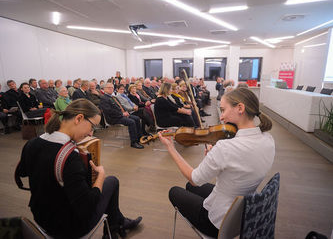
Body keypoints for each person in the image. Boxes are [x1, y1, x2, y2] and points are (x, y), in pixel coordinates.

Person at [16, 99, 142, 238]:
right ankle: (113, 228)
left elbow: (23, 172)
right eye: (92, 126)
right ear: (79, 118)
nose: (90, 133)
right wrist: (100, 176)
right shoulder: (69, 157)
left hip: (40, 218)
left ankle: (117, 223)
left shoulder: (32, 143)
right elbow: (88, 206)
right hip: (68, 228)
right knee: (112, 181)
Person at [159, 88, 275, 237]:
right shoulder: (268, 139)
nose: (221, 117)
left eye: (223, 110)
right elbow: (238, 168)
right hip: (242, 211)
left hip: (217, 223)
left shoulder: (226, 147)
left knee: (175, 190)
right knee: (189, 187)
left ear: (240, 108)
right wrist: (214, 158)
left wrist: (171, 148)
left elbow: (194, 179)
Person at [99, 83, 144, 149]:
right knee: (131, 122)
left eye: (112, 87)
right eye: (109, 87)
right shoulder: (104, 98)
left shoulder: (112, 97)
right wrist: (122, 114)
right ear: (104, 89)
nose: (111, 89)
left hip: (119, 115)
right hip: (113, 118)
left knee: (136, 118)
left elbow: (119, 107)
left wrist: (124, 112)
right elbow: (109, 111)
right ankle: (134, 142)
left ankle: (139, 137)